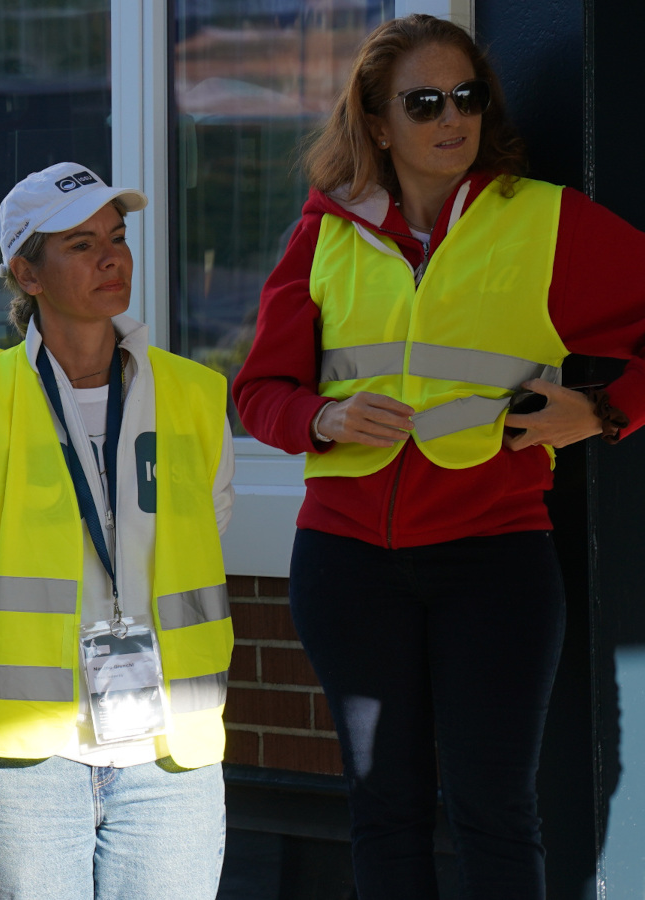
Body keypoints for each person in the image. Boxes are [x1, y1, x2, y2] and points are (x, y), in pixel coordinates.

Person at [233, 14, 645, 899]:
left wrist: (605, 410)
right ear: (377, 122)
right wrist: (323, 418)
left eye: (467, 96)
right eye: (424, 102)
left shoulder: (545, 222)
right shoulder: (324, 235)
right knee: (383, 808)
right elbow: (257, 393)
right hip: (347, 563)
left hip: (493, 556)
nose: (451, 117)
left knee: (496, 811)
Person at [0, 162, 236, 900]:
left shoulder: (195, 397)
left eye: (117, 237)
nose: (111, 256)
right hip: (33, 760)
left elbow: (204, 541)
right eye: (80, 244)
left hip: (173, 757)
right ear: (26, 274)